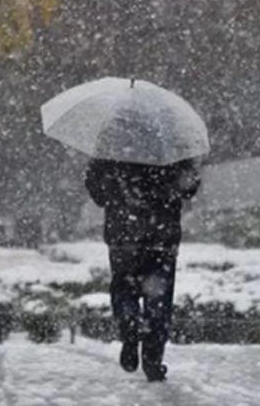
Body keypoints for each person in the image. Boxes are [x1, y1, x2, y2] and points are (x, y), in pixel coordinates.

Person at [84, 157, 201, 382]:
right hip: (162, 237)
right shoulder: (173, 141)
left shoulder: (111, 141)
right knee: (159, 298)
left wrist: (116, 187)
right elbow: (189, 189)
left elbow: (97, 194)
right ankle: (152, 361)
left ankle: (129, 327)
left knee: (123, 287)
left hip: (123, 236)